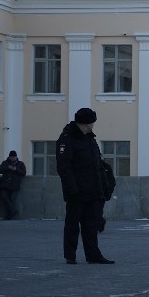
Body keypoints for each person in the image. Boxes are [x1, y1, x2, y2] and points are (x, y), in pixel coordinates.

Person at [57, 108, 115, 264]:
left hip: (92, 190)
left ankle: (93, 255)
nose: (93, 126)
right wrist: (72, 189)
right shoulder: (66, 139)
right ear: (86, 123)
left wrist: (104, 185)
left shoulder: (90, 139)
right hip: (76, 192)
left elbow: (97, 164)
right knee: (72, 225)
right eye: (92, 123)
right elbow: (64, 167)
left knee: (90, 225)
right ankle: (70, 255)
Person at [0, 150, 26, 220]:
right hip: (4, 185)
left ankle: (8, 216)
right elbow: (0, 170)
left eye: (14, 157)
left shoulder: (20, 164)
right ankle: (13, 212)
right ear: (9, 157)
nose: (13, 158)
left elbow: (23, 173)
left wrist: (16, 169)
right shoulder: (5, 163)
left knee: (11, 201)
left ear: (16, 157)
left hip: (14, 186)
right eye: (11, 157)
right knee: (4, 198)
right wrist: (7, 167)